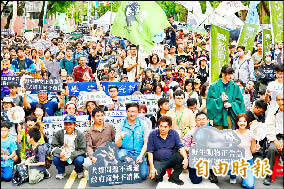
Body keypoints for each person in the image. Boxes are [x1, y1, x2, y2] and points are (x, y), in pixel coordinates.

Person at [147, 116, 188, 185]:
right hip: (158, 160)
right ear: (158, 126)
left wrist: (186, 158)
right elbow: (150, 152)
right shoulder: (152, 134)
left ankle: (174, 177)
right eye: (161, 126)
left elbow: (181, 147)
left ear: (170, 127)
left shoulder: (174, 133)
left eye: (165, 127)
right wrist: (152, 167)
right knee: (154, 177)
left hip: (171, 159)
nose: (163, 129)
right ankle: (161, 173)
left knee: (181, 157)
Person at [115, 102, 149, 180]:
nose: (132, 114)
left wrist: (141, 156)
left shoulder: (143, 124)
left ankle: (132, 168)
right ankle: (128, 168)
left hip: (139, 153)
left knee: (143, 175)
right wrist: (120, 138)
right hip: (126, 152)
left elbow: (146, 143)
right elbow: (117, 145)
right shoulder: (121, 124)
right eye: (130, 111)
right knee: (120, 155)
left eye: (134, 111)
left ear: (137, 112)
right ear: (126, 112)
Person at [207, 65, 245, 130]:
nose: (231, 77)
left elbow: (240, 101)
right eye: (229, 74)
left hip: (230, 116)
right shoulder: (213, 86)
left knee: (229, 137)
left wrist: (231, 104)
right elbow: (210, 102)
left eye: (231, 74)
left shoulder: (235, 86)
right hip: (218, 117)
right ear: (223, 74)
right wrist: (220, 100)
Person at [51, 115, 86, 179]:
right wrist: (60, 153)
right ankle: (61, 172)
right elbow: (53, 146)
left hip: (74, 157)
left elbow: (83, 150)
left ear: (75, 125)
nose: (68, 126)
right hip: (63, 156)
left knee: (80, 160)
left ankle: (79, 171)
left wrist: (71, 156)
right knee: (55, 159)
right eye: (66, 124)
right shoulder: (59, 133)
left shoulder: (80, 134)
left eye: (70, 124)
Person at [263, 93, 284, 185]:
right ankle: (268, 174)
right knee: (271, 149)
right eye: (278, 100)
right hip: (275, 137)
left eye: (282, 99)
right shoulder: (272, 112)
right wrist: (275, 140)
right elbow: (268, 127)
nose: (281, 102)